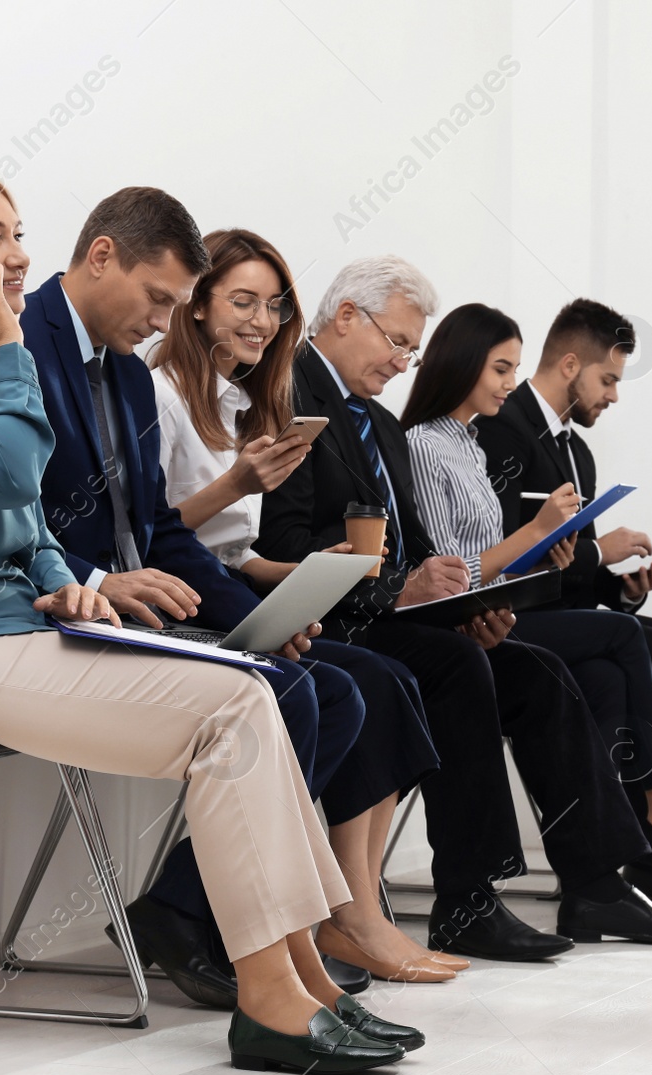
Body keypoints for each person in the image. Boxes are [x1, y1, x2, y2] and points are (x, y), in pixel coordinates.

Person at [0, 165, 411, 1073]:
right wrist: (5, 346)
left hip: (3, 630)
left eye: (17, 232)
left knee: (254, 690)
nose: (18, 255)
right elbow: (10, 477)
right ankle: (269, 998)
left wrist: (67, 581)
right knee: (232, 710)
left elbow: (24, 527)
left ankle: (301, 975)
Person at [258, 256, 652, 951]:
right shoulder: (290, 398)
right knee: (461, 667)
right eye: (398, 342)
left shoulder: (380, 426)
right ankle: (467, 898)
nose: (405, 361)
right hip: (342, 620)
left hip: (391, 613)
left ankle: (596, 885)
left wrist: (460, 603)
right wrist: (404, 588)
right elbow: (286, 542)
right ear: (347, 316)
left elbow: (416, 551)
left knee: (539, 672)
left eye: (413, 348)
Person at [19, 189, 384, 1001]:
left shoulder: (120, 373)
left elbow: (161, 530)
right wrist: (94, 581)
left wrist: (252, 621)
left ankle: (199, 913)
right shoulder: (23, 347)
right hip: (58, 611)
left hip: (136, 604)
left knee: (335, 693)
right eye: (159, 299)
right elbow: (22, 515)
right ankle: (229, 927)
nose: (164, 319)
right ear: (103, 255)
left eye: (177, 305)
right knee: (290, 690)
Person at [146, 227, 451, 982]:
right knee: (343, 689)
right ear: (197, 303)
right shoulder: (157, 393)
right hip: (171, 599)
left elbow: (241, 553)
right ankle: (224, 908)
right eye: (241, 301)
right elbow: (148, 536)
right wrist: (239, 488)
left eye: (271, 306)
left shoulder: (235, 402)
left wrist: (320, 575)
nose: (259, 320)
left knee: (373, 687)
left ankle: (304, 906)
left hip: (219, 588)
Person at [403, 303, 652, 905]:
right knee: (647, 650)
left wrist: (615, 584)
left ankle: (616, 863)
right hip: (502, 613)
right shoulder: (488, 434)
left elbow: (557, 564)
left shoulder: (550, 449)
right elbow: (489, 559)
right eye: (609, 380)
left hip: (533, 604)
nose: (615, 397)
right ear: (571, 365)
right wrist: (593, 553)